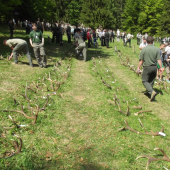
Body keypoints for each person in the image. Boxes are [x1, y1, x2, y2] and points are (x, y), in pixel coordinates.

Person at [137, 36, 163, 101]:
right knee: (151, 81)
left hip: (147, 67)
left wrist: (138, 67)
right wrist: (161, 67)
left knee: (144, 80)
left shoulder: (144, 49)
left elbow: (141, 60)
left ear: (147, 41)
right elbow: (159, 59)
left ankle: (151, 91)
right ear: (153, 41)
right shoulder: (157, 49)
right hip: (154, 67)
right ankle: (150, 94)